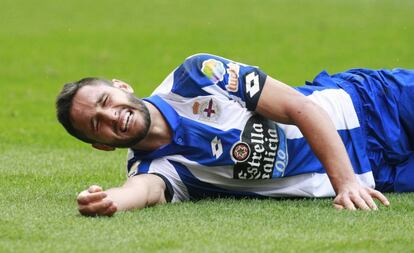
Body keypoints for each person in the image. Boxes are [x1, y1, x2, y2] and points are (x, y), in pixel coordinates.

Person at [56, 53, 414, 216]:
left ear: (122, 86)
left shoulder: (197, 75)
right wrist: (109, 202)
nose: (110, 115)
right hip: (376, 174)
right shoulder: (158, 169)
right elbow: (142, 191)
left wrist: (345, 183)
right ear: (102, 145)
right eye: (96, 123)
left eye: (105, 100)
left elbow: (298, 108)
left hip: (372, 104)